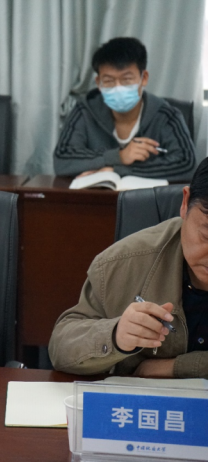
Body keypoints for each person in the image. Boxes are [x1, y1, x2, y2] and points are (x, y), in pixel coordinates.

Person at [49, 157, 208, 379]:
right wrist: (115, 336)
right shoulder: (122, 262)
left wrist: (171, 367)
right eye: (206, 236)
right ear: (185, 203)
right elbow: (61, 347)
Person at [54, 37, 196, 182]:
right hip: (97, 194)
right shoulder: (84, 111)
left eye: (126, 80)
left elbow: (187, 165)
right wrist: (119, 156)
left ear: (144, 78)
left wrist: (116, 170)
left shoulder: (167, 115)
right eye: (109, 81)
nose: (118, 88)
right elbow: (62, 159)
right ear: (98, 83)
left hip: (149, 196)